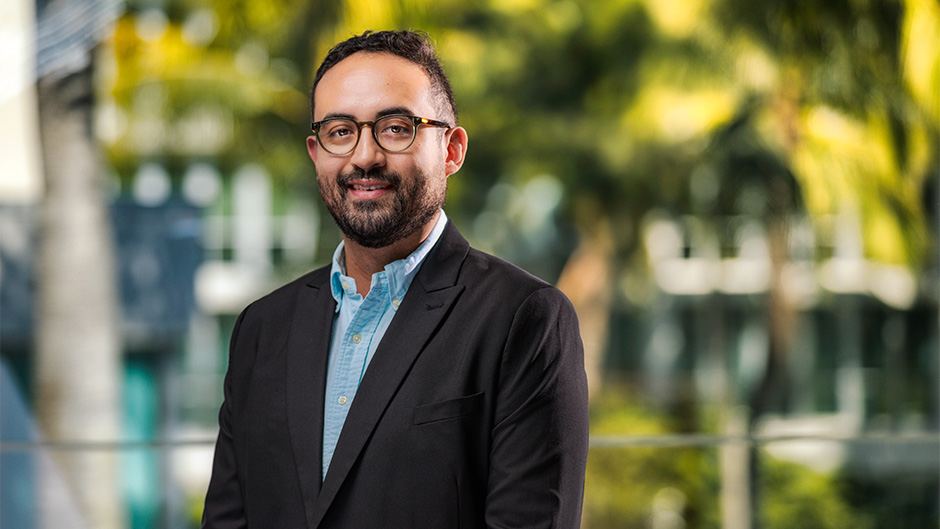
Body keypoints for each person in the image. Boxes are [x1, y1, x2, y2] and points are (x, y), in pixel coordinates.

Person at [201, 29, 589, 529]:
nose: (364, 156)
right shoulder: (262, 328)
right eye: (340, 131)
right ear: (316, 152)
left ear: (451, 150)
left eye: (396, 128)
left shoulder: (524, 319)